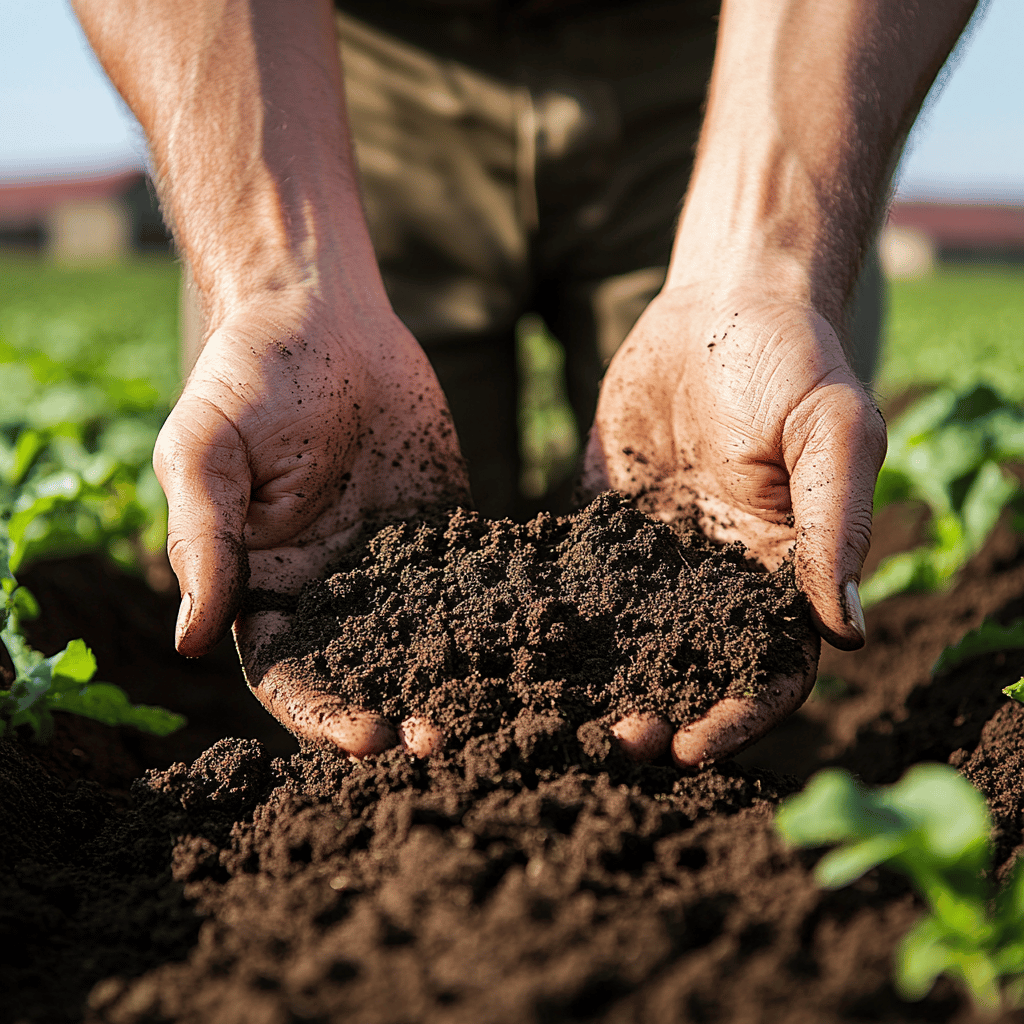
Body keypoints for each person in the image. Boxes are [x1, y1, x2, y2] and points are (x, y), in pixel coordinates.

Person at [72, 0, 977, 766]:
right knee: (354, 555)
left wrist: (762, 264)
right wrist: (280, 275)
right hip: (328, 80)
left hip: (738, 68)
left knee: (727, 576)